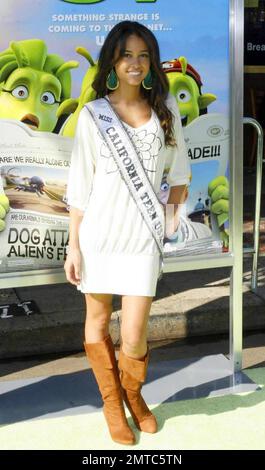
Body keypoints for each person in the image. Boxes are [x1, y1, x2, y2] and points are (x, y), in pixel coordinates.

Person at [64, 21, 190, 446]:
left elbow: (182, 176)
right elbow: (80, 185)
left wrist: (170, 218)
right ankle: (113, 405)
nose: (134, 64)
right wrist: (74, 245)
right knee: (96, 323)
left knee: (135, 334)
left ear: (152, 62)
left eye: (142, 56)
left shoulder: (166, 113)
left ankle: (133, 394)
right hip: (99, 236)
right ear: (112, 63)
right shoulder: (93, 115)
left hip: (141, 240)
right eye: (126, 56)